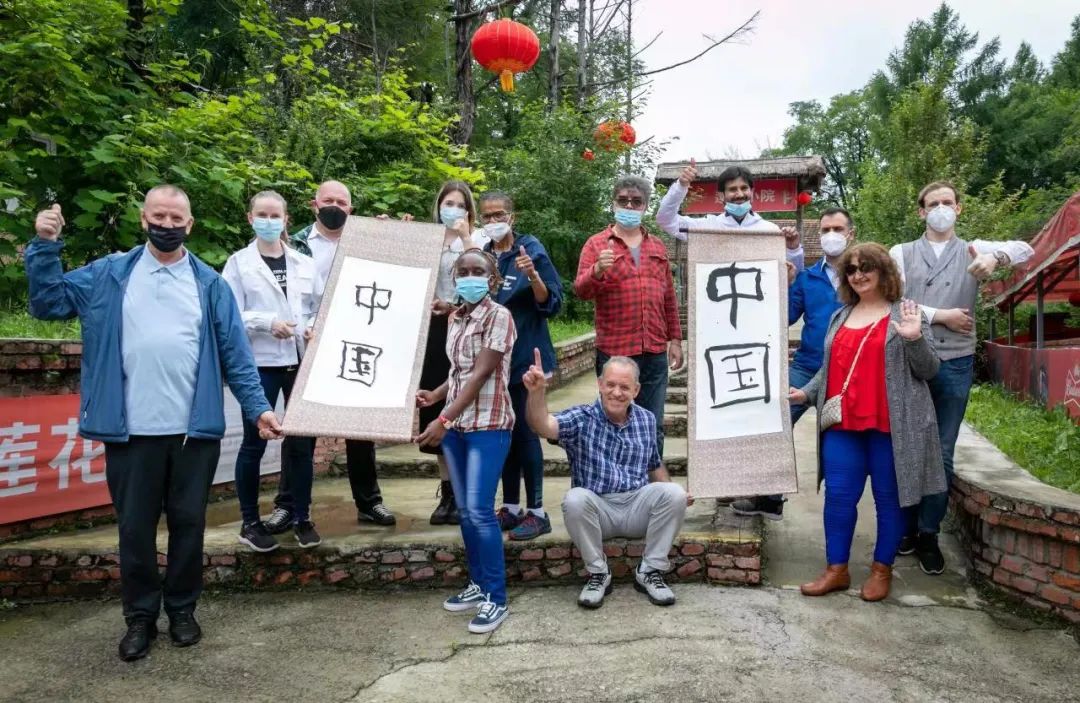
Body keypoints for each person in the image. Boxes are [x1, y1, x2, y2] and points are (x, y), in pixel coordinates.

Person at [26, 187, 283, 662]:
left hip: (193, 434)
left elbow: (237, 356)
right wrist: (45, 247)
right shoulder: (109, 274)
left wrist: (259, 408)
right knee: (134, 530)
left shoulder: (209, 285)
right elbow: (48, 303)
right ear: (144, 220)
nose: (167, 224)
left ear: (190, 224)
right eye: (159, 216)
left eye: (176, 218)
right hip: (131, 433)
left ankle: (182, 610)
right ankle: (140, 617)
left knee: (189, 525)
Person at [890, 181, 1034, 575]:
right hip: (912, 357)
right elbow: (893, 301)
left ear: (958, 208)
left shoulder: (974, 249)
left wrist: (996, 258)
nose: (940, 208)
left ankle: (928, 532)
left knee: (942, 449)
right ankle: (905, 526)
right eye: (932, 203)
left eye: (947, 202)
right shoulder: (901, 253)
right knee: (907, 444)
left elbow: (1027, 249)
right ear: (921, 211)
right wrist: (941, 315)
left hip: (955, 360)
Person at [790, 243, 944, 602]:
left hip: (891, 427)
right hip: (843, 425)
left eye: (866, 267)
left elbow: (929, 370)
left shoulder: (907, 313)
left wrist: (914, 339)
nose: (858, 275)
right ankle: (836, 570)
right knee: (838, 497)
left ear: (883, 271)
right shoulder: (840, 315)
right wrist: (806, 393)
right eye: (851, 269)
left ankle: (881, 570)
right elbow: (830, 369)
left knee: (889, 500)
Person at [264, 180, 398, 530]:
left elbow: (395, 277)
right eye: (328, 200)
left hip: (356, 341)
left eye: (342, 202)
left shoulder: (366, 241)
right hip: (306, 345)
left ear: (351, 209)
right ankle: (288, 505)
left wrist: (389, 236)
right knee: (300, 429)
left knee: (359, 428)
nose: (335, 206)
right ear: (314, 204)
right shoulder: (294, 244)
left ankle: (370, 502)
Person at [524, 351, 690, 609]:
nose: (616, 393)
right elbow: (543, 425)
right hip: (598, 512)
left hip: (636, 508)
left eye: (624, 387)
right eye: (610, 385)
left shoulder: (646, 419)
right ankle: (599, 573)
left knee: (675, 493)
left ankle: (649, 570)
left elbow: (654, 465)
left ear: (636, 390)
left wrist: (673, 498)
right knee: (575, 499)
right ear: (600, 384)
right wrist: (537, 393)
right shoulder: (582, 418)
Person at [415, 250, 516, 634]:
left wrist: (442, 419)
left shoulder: (499, 316)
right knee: (465, 512)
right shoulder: (456, 317)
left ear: (492, 279)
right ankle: (478, 583)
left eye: (478, 271)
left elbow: (481, 374)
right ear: (455, 277)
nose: (470, 276)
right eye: (463, 271)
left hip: (488, 425)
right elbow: (459, 373)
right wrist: (436, 395)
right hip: (458, 427)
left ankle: (496, 597)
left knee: (479, 510)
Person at [732, 208, 854, 521]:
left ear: (850, 234)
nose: (831, 235)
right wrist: (783, 284)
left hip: (849, 371)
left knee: (841, 445)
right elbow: (782, 317)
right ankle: (770, 497)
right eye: (826, 229)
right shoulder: (808, 278)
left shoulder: (861, 275)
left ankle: (840, 509)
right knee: (774, 420)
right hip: (807, 365)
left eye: (838, 229)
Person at [222, 190, 322, 553]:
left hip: (299, 362)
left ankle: (302, 516)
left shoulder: (303, 263)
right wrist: (267, 323)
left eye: (275, 215)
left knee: (301, 446)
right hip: (260, 364)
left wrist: (312, 327)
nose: (268, 221)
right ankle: (250, 522)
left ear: (286, 220)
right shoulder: (238, 264)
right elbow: (229, 312)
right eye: (261, 215)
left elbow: (317, 306)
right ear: (250, 219)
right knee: (254, 443)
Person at [574, 175, 683, 458]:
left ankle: (651, 481)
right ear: (614, 203)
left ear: (645, 206)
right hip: (615, 351)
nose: (629, 206)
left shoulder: (657, 246)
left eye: (636, 201)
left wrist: (675, 339)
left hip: (654, 351)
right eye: (623, 201)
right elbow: (581, 291)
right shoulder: (596, 244)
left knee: (652, 425)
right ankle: (615, 478)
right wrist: (597, 270)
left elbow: (668, 297)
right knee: (613, 422)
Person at [479, 191, 563, 541]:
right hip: (493, 361)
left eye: (499, 214)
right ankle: (511, 507)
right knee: (505, 434)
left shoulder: (530, 249)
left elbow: (551, 302)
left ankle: (538, 512)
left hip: (526, 358)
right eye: (487, 216)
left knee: (527, 433)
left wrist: (533, 277)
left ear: (512, 217)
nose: (493, 221)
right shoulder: (483, 255)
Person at [423, 181, 487, 525]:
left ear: (469, 211)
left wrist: (465, 236)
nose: (453, 210)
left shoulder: (478, 240)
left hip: (468, 326)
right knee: (438, 407)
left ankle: (468, 493)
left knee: (465, 404)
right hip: (433, 331)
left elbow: (483, 275)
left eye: (460, 205)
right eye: (448, 203)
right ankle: (447, 492)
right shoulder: (428, 238)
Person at [655, 159, 805, 272]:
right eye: (732, 189)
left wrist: (793, 249)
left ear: (752, 192)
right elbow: (665, 220)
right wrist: (681, 186)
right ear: (721, 196)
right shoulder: (706, 228)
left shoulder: (770, 230)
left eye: (744, 188)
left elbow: (794, 274)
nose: (739, 194)